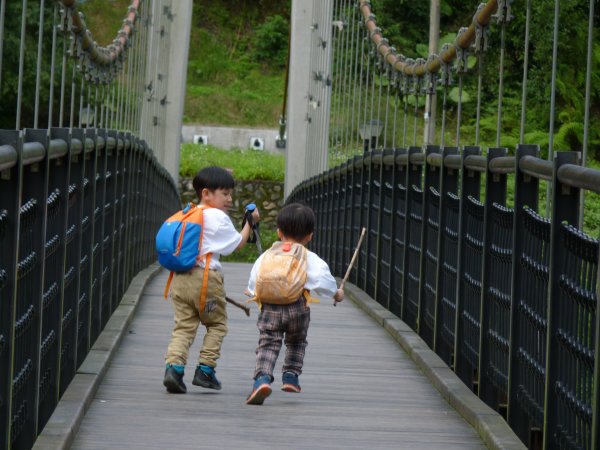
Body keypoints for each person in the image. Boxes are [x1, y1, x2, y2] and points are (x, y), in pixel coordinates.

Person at [163, 166, 260, 394]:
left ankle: (174, 369)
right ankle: (205, 370)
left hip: (179, 277)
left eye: (230, 193)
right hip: (205, 279)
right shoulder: (218, 217)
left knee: (184, 326)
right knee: (216, 325)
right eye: (225, 193)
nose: (230, 198)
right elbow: (237, 245)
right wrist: (249, 222)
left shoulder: (190, 212)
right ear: (206, 193)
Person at [245, 202, 344, 405]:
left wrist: (253, 292)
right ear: (309, 236)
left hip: (270, 309)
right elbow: (323, 282)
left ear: (279, 232)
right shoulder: (309, 257)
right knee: (297, 341)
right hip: (297, 309)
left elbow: (254, 282)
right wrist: (336, 294)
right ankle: (290, 376)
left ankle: (262, 378)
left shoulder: (267, 255)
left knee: (268, 343)